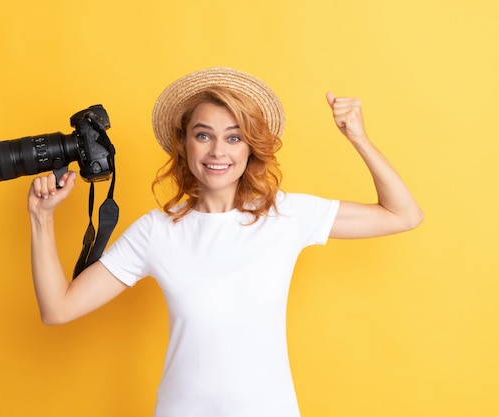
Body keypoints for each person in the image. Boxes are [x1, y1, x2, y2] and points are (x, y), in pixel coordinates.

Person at [27, 67, 424, 417]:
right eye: (204, 135)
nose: (218, 151)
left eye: (234, 138)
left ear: (251, 148)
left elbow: (403, 214)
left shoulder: (285, 215)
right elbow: (58, 309)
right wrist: (41, 218)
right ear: (185, 144)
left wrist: (359, 137)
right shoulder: (156, 232)